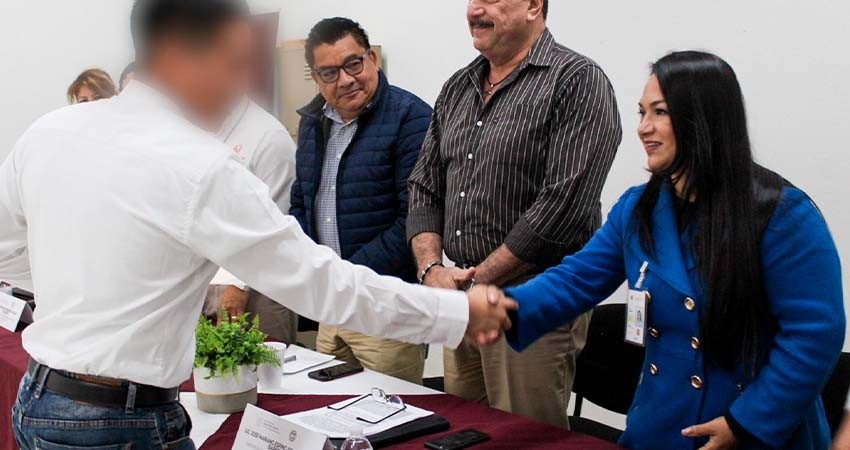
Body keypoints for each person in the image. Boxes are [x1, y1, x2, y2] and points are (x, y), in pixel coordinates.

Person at [3, 1, 516, 449]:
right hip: (120, 421)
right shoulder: (198, 165)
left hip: (38, 396)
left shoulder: (49, 131)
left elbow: (8, 242)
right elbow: (320, 284)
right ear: (180, 55)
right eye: (234, 64)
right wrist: (453, 313)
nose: (242, 86)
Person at [500, 51, 845, 450]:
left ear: (705, 119)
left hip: (750, 429)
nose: (643, 128)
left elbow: (815, 335)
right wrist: (496, 308)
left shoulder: (782, 213)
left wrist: (745, 423)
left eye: (659, 113)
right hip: (660, 425)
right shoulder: (637, 207)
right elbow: (576, 279)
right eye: (641, 113)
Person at [407, 0, 621, 427]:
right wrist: (432, 270)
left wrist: (479, 281)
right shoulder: (457, 86)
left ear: (534, 6)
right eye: (472, 1)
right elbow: (424, 186)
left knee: (522, 435)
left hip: (533, 300)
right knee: (463, 432)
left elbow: (562, 207)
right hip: (460, 296)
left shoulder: (576, 80)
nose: (474, 10)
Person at [289, 18, 433, 384]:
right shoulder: (311, 123)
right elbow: (302, 203)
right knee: (327, 412)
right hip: (332, 307)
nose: (346, 79)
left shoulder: (411, 118)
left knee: (392, 421)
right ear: (316, 78)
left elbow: (414, 221)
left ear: (372, 59)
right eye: (329, 72)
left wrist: (346, 279)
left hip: (384, 308)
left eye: (354, 64)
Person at [204, 97, 299, 343]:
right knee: (208, 377)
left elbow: (271, 224)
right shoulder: (195, 126)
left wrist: (236, 284)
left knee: (263, 375)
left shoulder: (268, 136)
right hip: (207, 279)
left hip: (259, 286)